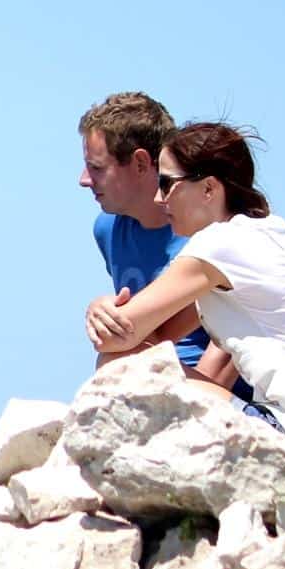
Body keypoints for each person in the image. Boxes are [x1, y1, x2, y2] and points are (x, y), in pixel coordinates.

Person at [84, 122, 285, 469]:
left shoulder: (221, 245)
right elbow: (154, 336)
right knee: (125, 360)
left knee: (118, 366)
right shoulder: (261, 233)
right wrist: (105, 313)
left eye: (167, 184)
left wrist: (100, 311)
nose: (159, 198)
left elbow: (119, 338)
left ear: (208, 189)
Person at [79, 92, 212, 371]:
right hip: (154, 373)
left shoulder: (209, 231)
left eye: (97, 168)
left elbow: (232, 345)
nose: (84, 180)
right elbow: (134, 333)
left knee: (113, 363)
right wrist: (100, 311)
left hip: (217, 390)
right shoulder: (108, 229)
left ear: (140, 163)